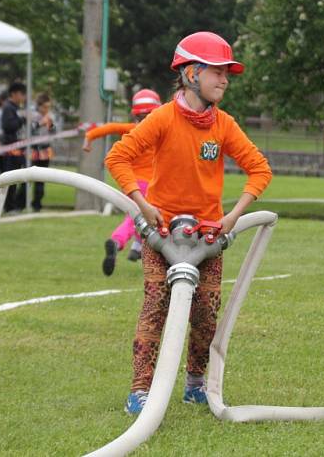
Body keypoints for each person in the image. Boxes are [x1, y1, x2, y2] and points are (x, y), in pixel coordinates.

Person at [105, 32, 272, 414]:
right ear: (192, 73)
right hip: (162, 234)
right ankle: (140, 390)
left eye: (228, 73)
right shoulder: (162, 118)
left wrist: (232, 216)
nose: (225, 80)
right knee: (155, 306)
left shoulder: (224, 125)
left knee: (204, 311)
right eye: (218, 71)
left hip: (207, 236)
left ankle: (195, 383)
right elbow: (118, 157)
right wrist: (143, 205)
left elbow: (259, 169)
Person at [84, 89, 162, 275]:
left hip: (129, 182)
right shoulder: (159, 133)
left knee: (138, 216)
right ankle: (117, 241)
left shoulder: (130, 129)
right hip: (151, 185)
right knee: (137, 218)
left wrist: (88, 138)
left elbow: (108, 127)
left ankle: (136, 248)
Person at [0, 82, 28, 212]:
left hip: (19, 148)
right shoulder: (8, 108)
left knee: (19, 177)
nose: (24, 97)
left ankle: (16, 204)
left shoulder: (17, 108)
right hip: (10, 149)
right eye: (22, 94)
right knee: (10, 178)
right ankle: (8, 206)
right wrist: (22, 119)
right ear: (14, 94)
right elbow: (8, 126)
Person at [30, 93, 56, 211]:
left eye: (48, 107)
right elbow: (29, 129)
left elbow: (53, 133)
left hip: (45, 151)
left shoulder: (50, 117)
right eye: (44, 107)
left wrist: (51, 126)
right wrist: (40, 123)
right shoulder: (33, 116)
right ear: (39, 106)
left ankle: (37, 203)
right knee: (29, 177)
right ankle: (21, 202)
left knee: (42, 179)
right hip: (33, 150)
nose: (46, 110)